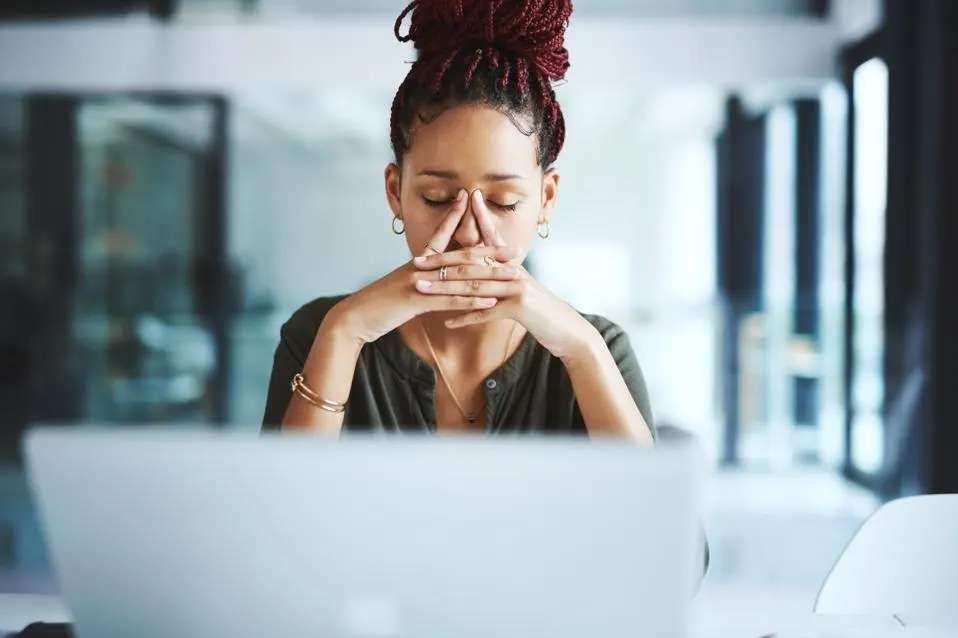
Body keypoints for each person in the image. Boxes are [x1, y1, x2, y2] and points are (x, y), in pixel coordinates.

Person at [261, 0, 655, 444]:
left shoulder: (597, 345)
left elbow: (649, 511)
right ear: (396, 192)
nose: (468, 232)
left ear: (546, 198)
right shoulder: (319, 332)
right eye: (438, 197)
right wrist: (344, 332)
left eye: (504, 202)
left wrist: (581, 351)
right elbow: (283, 507)